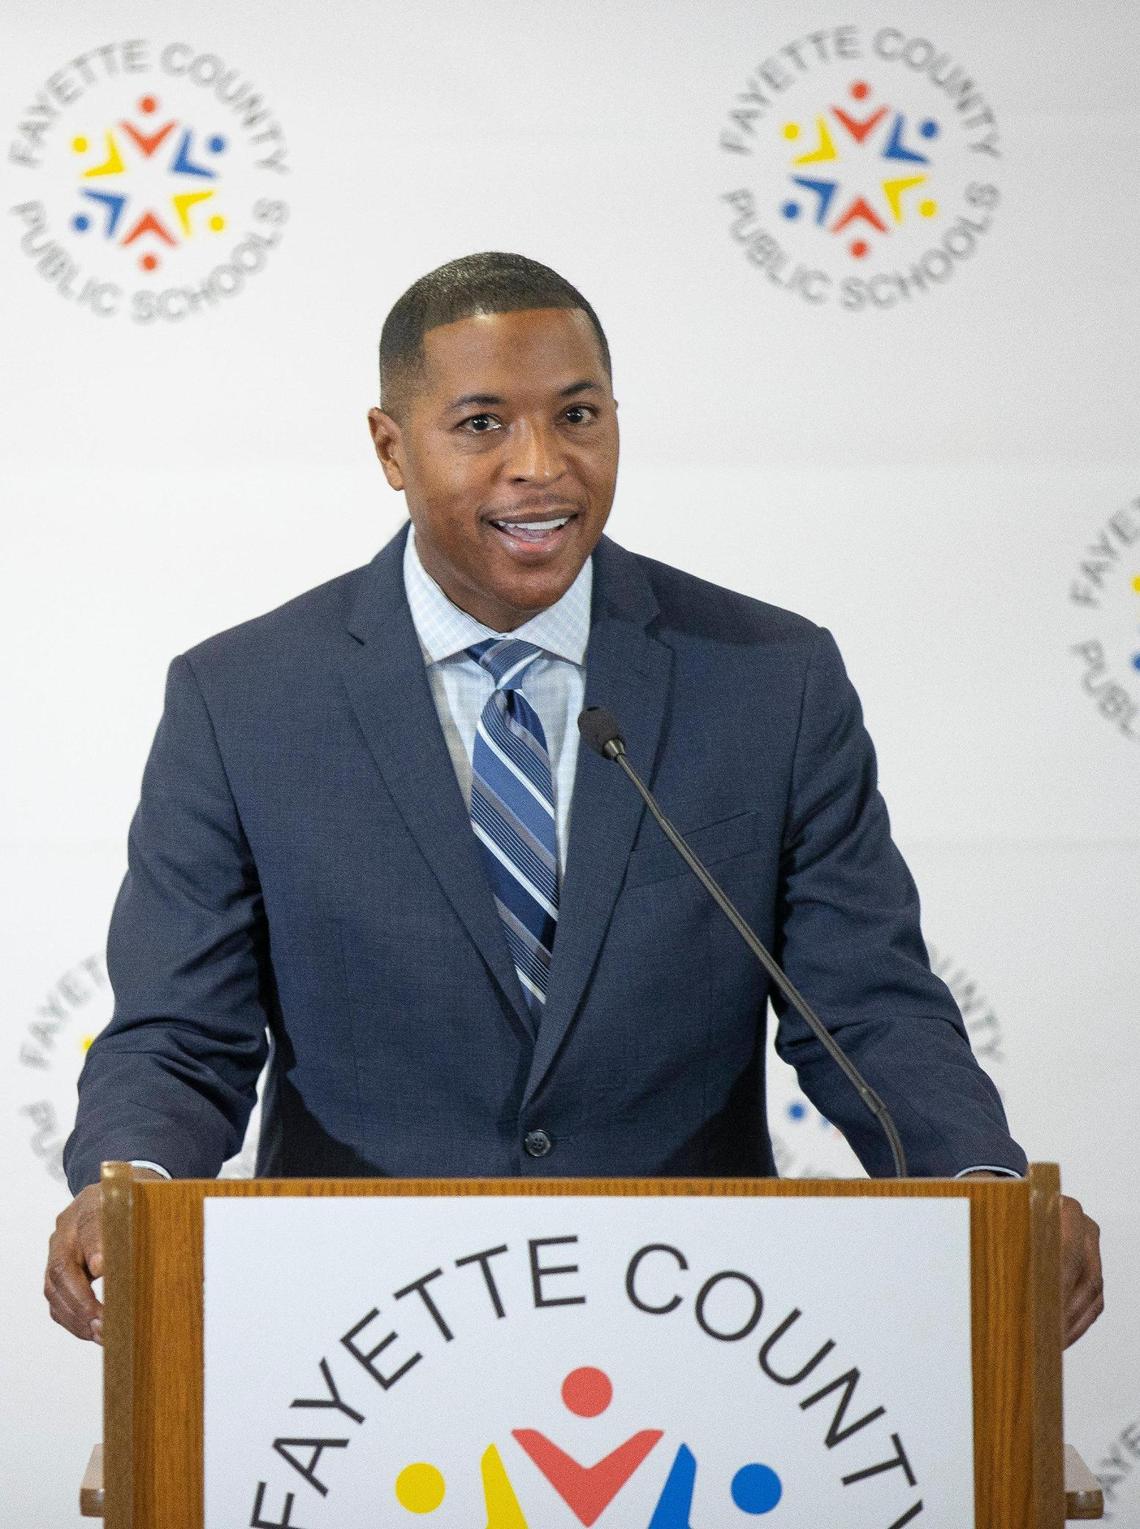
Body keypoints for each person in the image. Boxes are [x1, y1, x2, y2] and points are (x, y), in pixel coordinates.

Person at [45, 252, 1102, 1348]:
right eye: (483, 424)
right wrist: (129, 1189)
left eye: (578, 415)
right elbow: (179, 1034)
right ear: (391, 448)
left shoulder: (768, 679)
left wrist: (984, 1188)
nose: (541, 466)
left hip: (698, 1319)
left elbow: (870, 1008)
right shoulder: (243, 698)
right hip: (351, 1330)